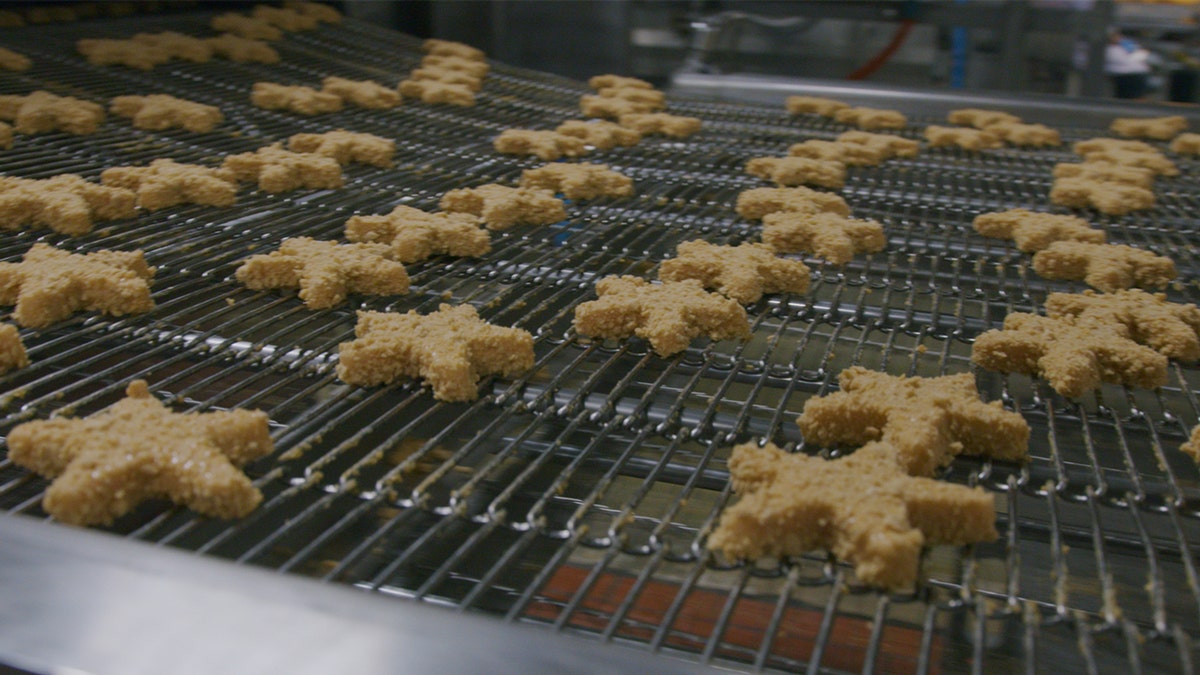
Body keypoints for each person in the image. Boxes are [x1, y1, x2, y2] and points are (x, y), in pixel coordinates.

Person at [1106, 30, 1152, 99]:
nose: (1117, 38)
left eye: (1117, 35)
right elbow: (1123, 60)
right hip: (1123, 76)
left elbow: (1144, 54)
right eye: (1113, 36)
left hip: (1138, 74)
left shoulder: (1126, 45)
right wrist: (1137, 56)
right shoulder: (1109, 49)